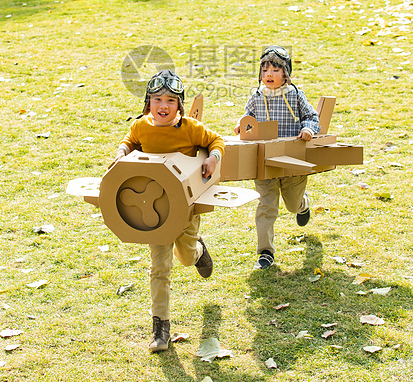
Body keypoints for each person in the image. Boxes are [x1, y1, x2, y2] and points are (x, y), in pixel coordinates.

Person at [114, 69, 225, 352]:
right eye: (157, 100)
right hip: (155, 210)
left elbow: (216, 141)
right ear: (148, 103)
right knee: (160, 267)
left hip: (185, 206)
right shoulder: (141, 126)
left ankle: (198, 250)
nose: (163, 106)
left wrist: (213, 158)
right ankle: (160, 327)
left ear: (179, 105)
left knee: (186, 258)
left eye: (170, 101)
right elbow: (129, 141)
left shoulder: (190, 128)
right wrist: (122, 152)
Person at [234, 46, 320, 271]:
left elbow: (312, 116)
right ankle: (265, 252)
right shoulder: (256, 96)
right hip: (263, 162)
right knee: (266, 205)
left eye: (275, 69)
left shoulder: (296, 95)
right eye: (265, 70)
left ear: (286, 73)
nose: (269, 74)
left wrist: (308, 129)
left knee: (291, 204)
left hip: (292, 160)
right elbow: (247, 117)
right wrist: (242, 125)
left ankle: (303, 204)